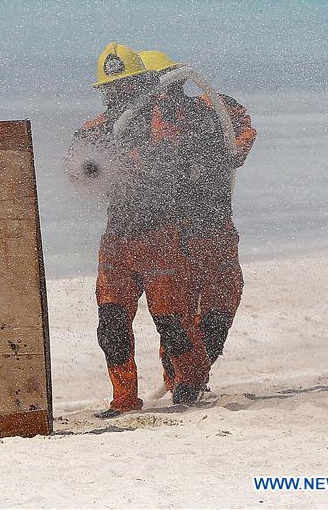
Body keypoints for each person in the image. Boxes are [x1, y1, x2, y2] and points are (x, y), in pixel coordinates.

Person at [68, 42, 212, 418]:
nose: (117, 94)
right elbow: (76, 164)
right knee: (111, 320)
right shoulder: (97, 128)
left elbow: (171, 161)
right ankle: (123, 398)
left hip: (161, 234)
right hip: (117, 236)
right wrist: (87, 165)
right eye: (111, 89)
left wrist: (129, 158)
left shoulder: (166, 119)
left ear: (141, 84)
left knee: (171, 320)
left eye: (124, 86)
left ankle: (191, 381)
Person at [136, 51, 257, 393]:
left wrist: (236, 150)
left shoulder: (210, 109)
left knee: (222, 302)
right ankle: (181, 383)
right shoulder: (141, 126)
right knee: (179, 312)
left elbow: (242, 124)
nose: (163, 93)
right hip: (177, 233)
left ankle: (190, 378)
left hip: (216, 225)